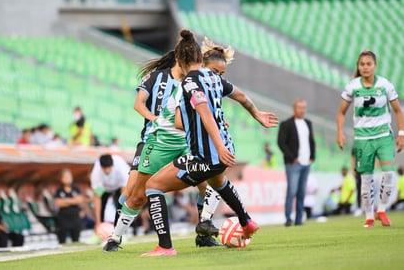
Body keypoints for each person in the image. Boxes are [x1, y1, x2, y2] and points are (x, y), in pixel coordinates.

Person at [140, 29, 278, 256]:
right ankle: (246, 222)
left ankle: (165, 247)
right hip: (222, 152)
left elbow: (203, 112)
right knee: (218, 182)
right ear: (200, 58)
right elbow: (242, 96)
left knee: (153, 186)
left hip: (206, 155)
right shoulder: (215, 79)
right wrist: (257, 114)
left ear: (182, 61)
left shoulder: (190, 82)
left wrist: (219, 147)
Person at [103, 37, 228, 251]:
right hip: (155, 140)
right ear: (182, 59)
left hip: (187, 141)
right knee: (134, 194)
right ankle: (115, 237)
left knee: (210, 182)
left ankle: (204, 231)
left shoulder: (196, 81)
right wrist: (154, 118)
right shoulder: (157, 77)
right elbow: (138, 104)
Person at [337, 50, 404, 227]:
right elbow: (341, 113)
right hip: (362, 138)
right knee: (366, 179)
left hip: (383, 135)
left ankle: (381, 210)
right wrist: (340, 133)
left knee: (389, 173)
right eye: (362, 64)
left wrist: (401, 134)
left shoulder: (385, 85)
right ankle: (368, 216)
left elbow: (398, 110)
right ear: (358, 67)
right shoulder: (353, 86)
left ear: (375, 66)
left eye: (369, 64)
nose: (365, 67)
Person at [278, 99, 316, 227]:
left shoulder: (308, 123)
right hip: (293, 163)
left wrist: (312, 156)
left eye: (304, 107)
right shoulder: (286, 124)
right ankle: (288, 218)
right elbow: (281, 142)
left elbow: (311, 141)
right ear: (294, 109)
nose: (302, 110)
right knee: (292, 191)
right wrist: (292, 157)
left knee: (301, 193)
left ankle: (299, 219)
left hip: (306, 163)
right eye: (299, 107)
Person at [90, 154, 130, 230]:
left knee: (120, 207)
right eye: (105, 169)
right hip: (104, 188)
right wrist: (97, 222)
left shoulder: (121, 167)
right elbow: (97, 198)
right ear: (101, 167)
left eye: (109, 168)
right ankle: (99, 230)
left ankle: (121, 231)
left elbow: (124, 192)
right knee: (101, 209)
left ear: (113, 165)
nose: (107, 171)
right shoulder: (96, 173)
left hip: (119, 187)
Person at [54, 169, 84, 244]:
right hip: (63, 219)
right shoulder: (59, 190)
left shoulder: (75, 188)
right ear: (61, 179)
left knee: (76, 240)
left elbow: (79, 200)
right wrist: (73, 201)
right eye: (65, 177)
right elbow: (58, 203)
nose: (67, 178)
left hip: (75, 218)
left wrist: (66, 200)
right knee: (62, 241)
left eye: (69, 176)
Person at [351, 148, 363, 216]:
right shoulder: (355, 145)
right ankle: (359, 208)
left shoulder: (369, 142)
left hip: (368, 169)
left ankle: (369, 207)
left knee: (368, 189)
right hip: (358, 170)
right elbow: (353, 158)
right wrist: (353, 170)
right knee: (359, 189)